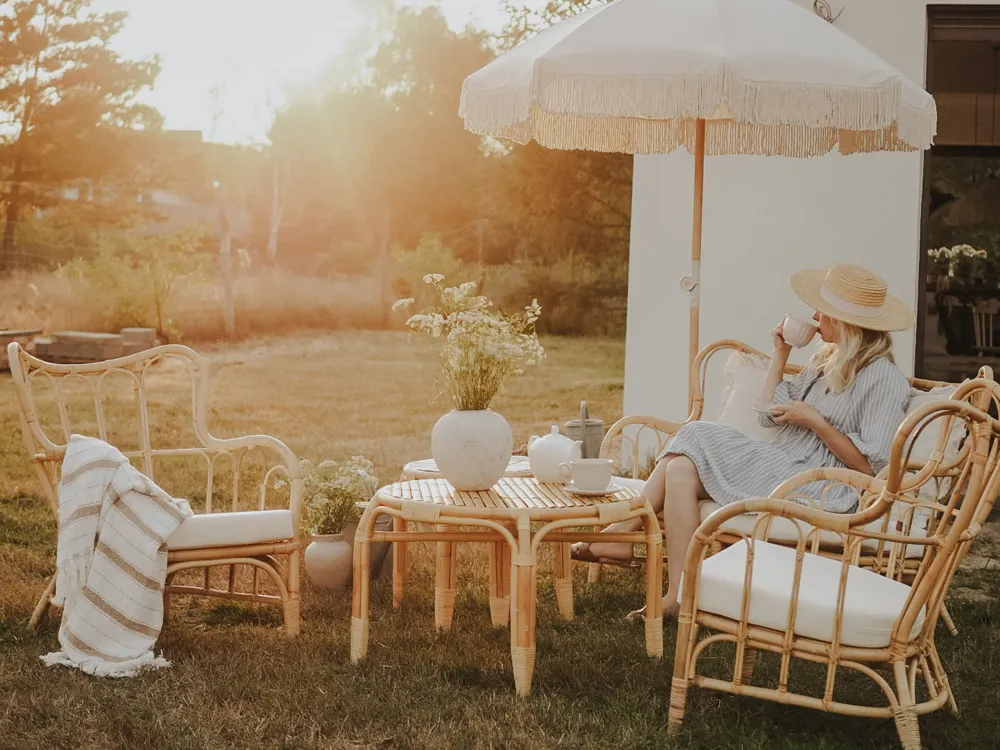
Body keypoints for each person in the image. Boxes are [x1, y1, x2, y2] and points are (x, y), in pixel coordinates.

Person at [570, 263, 916, 619]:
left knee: (695, 433)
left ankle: (623, 529)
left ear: (844, 323)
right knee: (679, 470)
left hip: (823, 486)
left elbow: (869, 466)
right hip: (783, 464)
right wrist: (780, 354)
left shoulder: (884, 379)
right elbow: (768, 414)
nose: (814, 317)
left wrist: (815, 421)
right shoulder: (827, 361)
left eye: (822, 311)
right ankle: (678, 596)